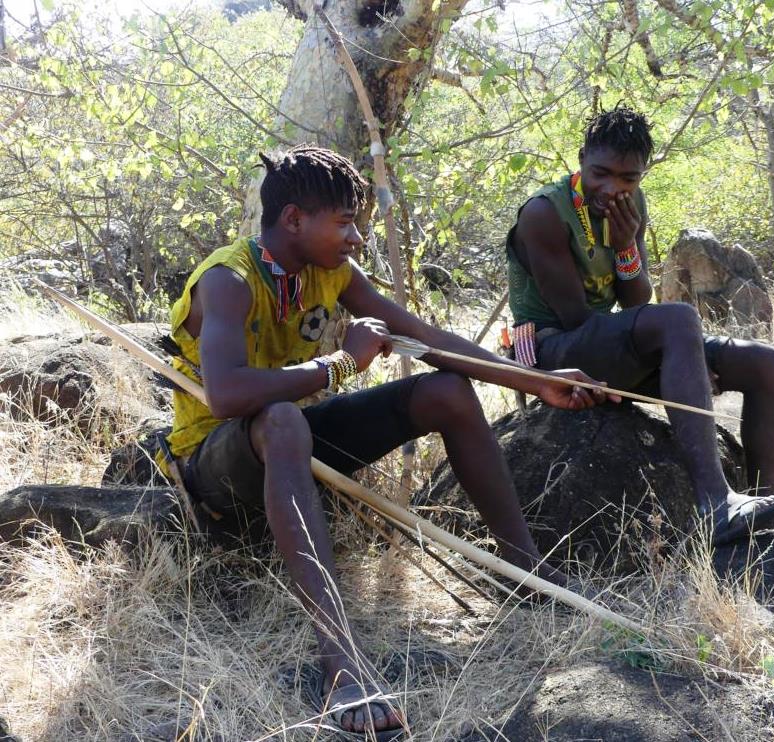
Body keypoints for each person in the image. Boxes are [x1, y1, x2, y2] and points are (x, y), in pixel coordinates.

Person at [163, 145, 608, 740]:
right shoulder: (228, 280)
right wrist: (345, 365)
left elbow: (424, 336)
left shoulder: (331, 272)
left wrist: (540, 382)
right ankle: (341, 661)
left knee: (446, 391)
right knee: (282, 420)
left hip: (286, 443)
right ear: (294, 220)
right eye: (344, 222)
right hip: (216, 463)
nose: (356, 237)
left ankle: (523, 573)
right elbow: (226, 395)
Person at [505, 107, 774, 548]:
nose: (612, 189)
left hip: (602, 339)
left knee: (764, 363)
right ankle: (715, 502)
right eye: (600, 173)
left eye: (628, 179)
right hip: (554, 353)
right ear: (581, 158)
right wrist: (675, 361)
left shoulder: (632, 206)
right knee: (678, 319)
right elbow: (575, 318)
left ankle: (759, 510)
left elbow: (633, 299)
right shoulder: (544, 213)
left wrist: (626, 245)